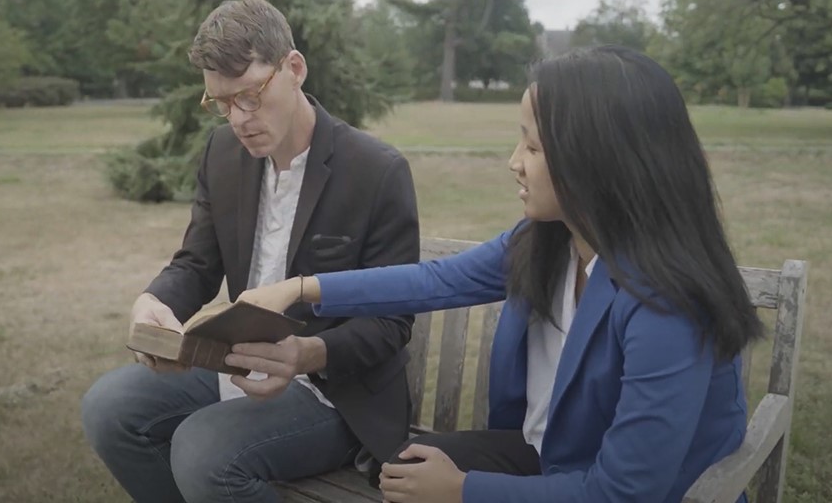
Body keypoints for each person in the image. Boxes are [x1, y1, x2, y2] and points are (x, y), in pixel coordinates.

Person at [234, 45, 765, 503]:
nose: (515, 161)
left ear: (598, 161)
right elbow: (435, 282)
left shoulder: (666, 304)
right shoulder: (550, 241)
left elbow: (623, 492)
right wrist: (301, 288)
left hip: (634, 491)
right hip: (549, 459)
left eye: (533, 147)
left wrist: (464, 489)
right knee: (405, 470)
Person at [80, 0, 421, 503]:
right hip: (235, 366)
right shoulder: (222, 154)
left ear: (294, 68)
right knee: (108, 407)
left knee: (201, 451)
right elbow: (196, 263)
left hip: (334, 395)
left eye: (250, 96)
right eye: (220, 103)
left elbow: (391, 323)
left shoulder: (376, 171)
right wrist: (156, 304)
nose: (237, 119)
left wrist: (305, 354)